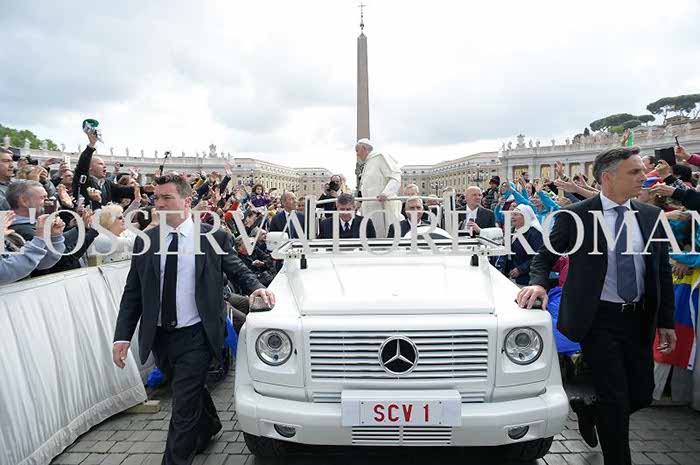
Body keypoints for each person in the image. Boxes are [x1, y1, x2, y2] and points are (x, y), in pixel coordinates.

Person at [516, 146, 676, 465]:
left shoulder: (650, 216)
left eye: (642, 170)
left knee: (641, 394)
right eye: (634, 172)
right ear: (607, 178)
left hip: (639, 319)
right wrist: (538, 283)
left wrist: (665, 321)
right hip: (598, 319)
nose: (643, 177)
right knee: (615, 398)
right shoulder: (576, 216)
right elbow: (545, 255)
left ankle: (590, 408)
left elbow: (661, 272)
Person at [112, 174, 275, 465]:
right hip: (160, 336)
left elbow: (237, 268)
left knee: (183, 406)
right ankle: (210, 425)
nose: (159, 204)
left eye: (167, 197)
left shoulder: (214, 237)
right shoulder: (145, 241)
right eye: (156, 198)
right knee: (188, 389)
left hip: (197, 334)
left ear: (187, 200)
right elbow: (133, 292)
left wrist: (256, 287)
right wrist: (122, 336)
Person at [0, 211, 66, 284]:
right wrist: (40, 238)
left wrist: (54, 237)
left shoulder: (12, 237)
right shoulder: (21, 228)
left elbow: (39, 263)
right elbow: (4, 272)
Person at [73, 131, 135, 209]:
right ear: (89, 167)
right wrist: (91, 146)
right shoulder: (84, 181)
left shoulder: (107, 184)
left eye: (104, 164)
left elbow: (124, 190)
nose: (105, 167)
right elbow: (82, 167)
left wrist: (143, 189)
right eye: (100, 164)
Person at [356, 138, 401, 238]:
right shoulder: (368, 163)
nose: (357, 154)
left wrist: (386, 193)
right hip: (369, 207)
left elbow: (395, 177)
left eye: (357, 150)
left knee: (383, 235)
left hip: (381, 205)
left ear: (364, 149)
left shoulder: (380, 157)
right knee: (370, 234)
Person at [503, 204, 543, 285]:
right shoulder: (512, 231)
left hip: (527, 279)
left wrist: (521, 269)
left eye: (515, 215)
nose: (512, 217)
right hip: (510, 276)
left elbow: (538, 256)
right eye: (511, 214)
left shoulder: (534, 233)